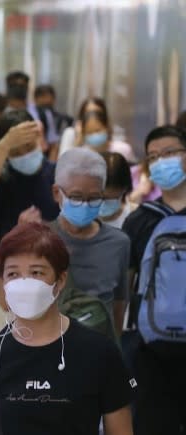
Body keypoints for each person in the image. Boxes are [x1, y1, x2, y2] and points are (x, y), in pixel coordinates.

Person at [0, 222, 135, 435]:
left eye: (36, 272)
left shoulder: (99, 353)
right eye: (13, 274)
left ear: (60, 280)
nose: (24, 284)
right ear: (2, 282)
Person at [121, 125, 186, 435]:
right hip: (149, 351)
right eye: (153, 157)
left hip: (152, 348)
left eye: (171, 153)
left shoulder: (141, 219)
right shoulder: (138, 219)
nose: (162, 162)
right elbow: (126, 286)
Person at [50, 148, 130, 336]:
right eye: (76, 197)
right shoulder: (42, 238)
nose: (85, 205)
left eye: (94, 198)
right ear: (56, 193)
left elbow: (119, 304)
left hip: (101, 350)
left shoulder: (119, 243)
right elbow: (9, 302)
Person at [0, 109, 60, 245]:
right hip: (8, 260)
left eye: (29, 147)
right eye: (15, 152)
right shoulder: (0, 178)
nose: (24, 154)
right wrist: (3, 146)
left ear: (38, 137)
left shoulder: (57, 174)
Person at [5, 71, 58, 153]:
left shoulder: (42, 113)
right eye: (14, 86)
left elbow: (53, 145)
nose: (18, 90)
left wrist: (49, 165)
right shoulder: (2, 113)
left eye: (21, 86)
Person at [99, 152, 136, 228]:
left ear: (124, 189)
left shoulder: (136, 217)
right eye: (98, 197)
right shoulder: (79, 218)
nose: (103, 203)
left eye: (110, 199)